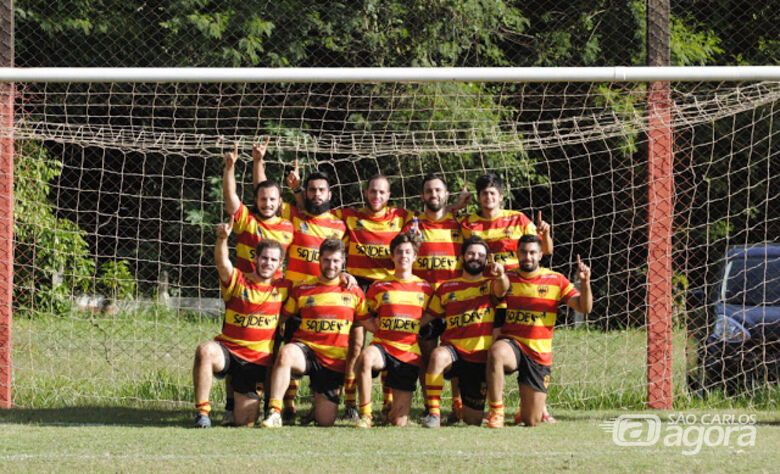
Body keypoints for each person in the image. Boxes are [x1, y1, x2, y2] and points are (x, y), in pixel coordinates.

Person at [460, 172, 557, 422]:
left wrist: (545, 233)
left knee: (530, 343)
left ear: (501, 197)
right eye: (484, 194)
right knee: (473, 347)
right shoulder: (468, 223)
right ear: (479, 198)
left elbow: (544, 251)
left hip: (516, 295)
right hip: (482, 296)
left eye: (493, 193)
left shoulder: (518, 220)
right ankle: (469, 404)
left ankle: (539, 406)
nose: (488, 197)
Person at [220, 140, 294, 425]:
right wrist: (230, 168)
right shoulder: (246, 221)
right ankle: (230, 405)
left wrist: (259, 162)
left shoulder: (288, 227)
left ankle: (273, 406)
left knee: (273, 352)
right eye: (263, 199)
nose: (267, 202)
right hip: (242, 294)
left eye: (272, 199)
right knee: (233, 345)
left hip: (274, 299)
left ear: (279, 202)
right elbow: (231, 198)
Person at [485, 235, 592, 428]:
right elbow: (499, 292)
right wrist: (500, 276)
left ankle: (526, 409)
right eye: (524, 252)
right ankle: (496, 411)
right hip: (513, 344)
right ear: (517, 253)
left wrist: (584, 283)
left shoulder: (556, 279)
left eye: (532, 252)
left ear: (540, 255)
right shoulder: (508, 275)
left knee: (531, 421)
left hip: (538, 354)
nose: (528, 256)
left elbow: (584, 308)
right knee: (496, 352)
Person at [260, 238, 368, 427]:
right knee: (286, 353)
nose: (330, 265)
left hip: (333, 361)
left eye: (335, 261)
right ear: (319, 259)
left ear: (343, 261)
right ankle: (274, 411)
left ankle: (316, 408)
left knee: (325, 421)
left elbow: (369, 322)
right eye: (326, 260)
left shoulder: (354, 291)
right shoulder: (303, 288)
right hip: (306, 351)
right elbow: (282, 317)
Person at [192, 223, 289, 428]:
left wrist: (344, 275)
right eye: (264, 258)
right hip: (228, 350)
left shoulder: (284, 288)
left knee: (245, 423)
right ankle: (202, 414)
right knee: (205, 351)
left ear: (280, 263)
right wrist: (222, 239)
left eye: (273, 260)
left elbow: (317, 284)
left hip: (255, 361)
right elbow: (222, 262)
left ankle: (234, 409)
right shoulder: (238, 280)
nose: (267, 263)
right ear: (255, 258)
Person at [421, 235, 509, 428]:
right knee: (437, 355)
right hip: (454, 352)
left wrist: (501, 275)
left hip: (480, 358)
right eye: (471, 253)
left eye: (480, 255)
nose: (475, 257)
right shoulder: (446, 288)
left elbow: (503, 290)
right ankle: (434, 414)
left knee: (473, 420)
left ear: (486, 260)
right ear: (462, 257)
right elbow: (428, 317)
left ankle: (463, 408)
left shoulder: (490, 284)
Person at [353, 231, 434, 428]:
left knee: (398, 423)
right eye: (399, 252)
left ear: (415, 256)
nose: (403, 256)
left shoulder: (425, 288)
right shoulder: (380, 285)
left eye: (407, 252)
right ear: (392, 256)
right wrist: (372, 325)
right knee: (365, 358)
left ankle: (390, 411)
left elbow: (435, 312)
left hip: (408, 352)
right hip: (383, 346)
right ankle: (366, 414)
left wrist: (417, 323)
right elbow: (364, 310)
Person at [404, 174, 466, 423]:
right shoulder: (413, 226)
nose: (434, 195)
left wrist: (458, 209)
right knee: (427, 355)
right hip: (424, 304)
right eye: (429, 191)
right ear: (422, 196)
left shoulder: (460, 223)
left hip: (454, 302)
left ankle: (457, 404)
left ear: (447, 195)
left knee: (458, 353)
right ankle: (432, 407)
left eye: (438, 191)